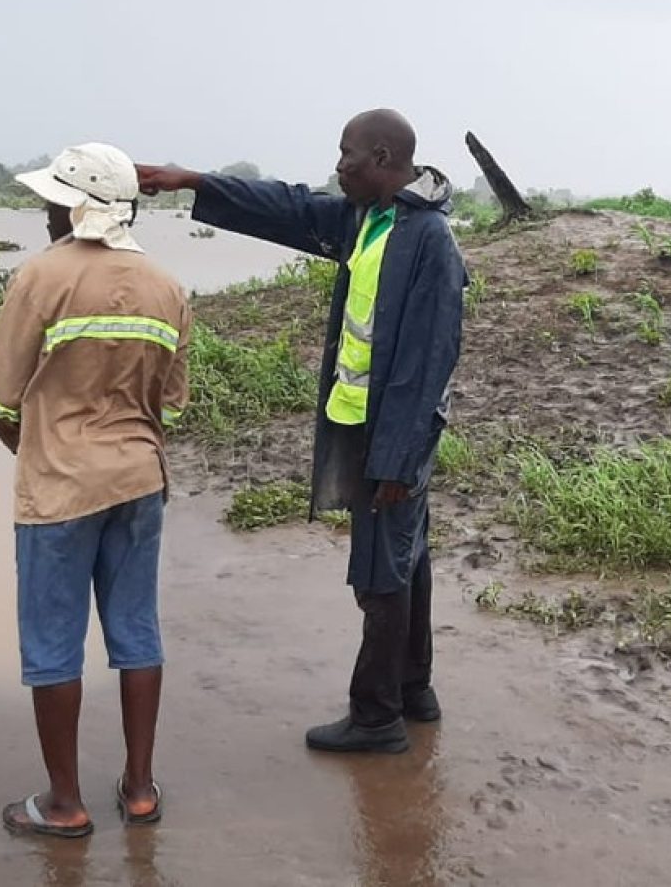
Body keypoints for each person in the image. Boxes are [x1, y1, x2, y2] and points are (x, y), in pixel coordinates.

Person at [138, 109, 465, 754]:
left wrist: (398, 462)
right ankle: (413, 689)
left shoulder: (428, 241)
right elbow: (287, 208)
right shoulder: (368, 219)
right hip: (362, 422)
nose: (336, 165)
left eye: (345, 153)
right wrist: (194, 181)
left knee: (382, 571)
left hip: (393, 437)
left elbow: (428, 360)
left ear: (379, 156)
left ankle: (376, 718)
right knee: (409, 557)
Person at [0, 142, 192, 836]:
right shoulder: (167, 286)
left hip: (58, 489)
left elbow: (1, 399)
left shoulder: (41, 277)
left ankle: (65, 804)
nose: (44, 212)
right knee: (137, 633)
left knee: (51, 645)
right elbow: (172, 400)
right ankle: (138, 789)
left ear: (74, 207)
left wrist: (37, 448)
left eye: (51, 200)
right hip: (138, 480)